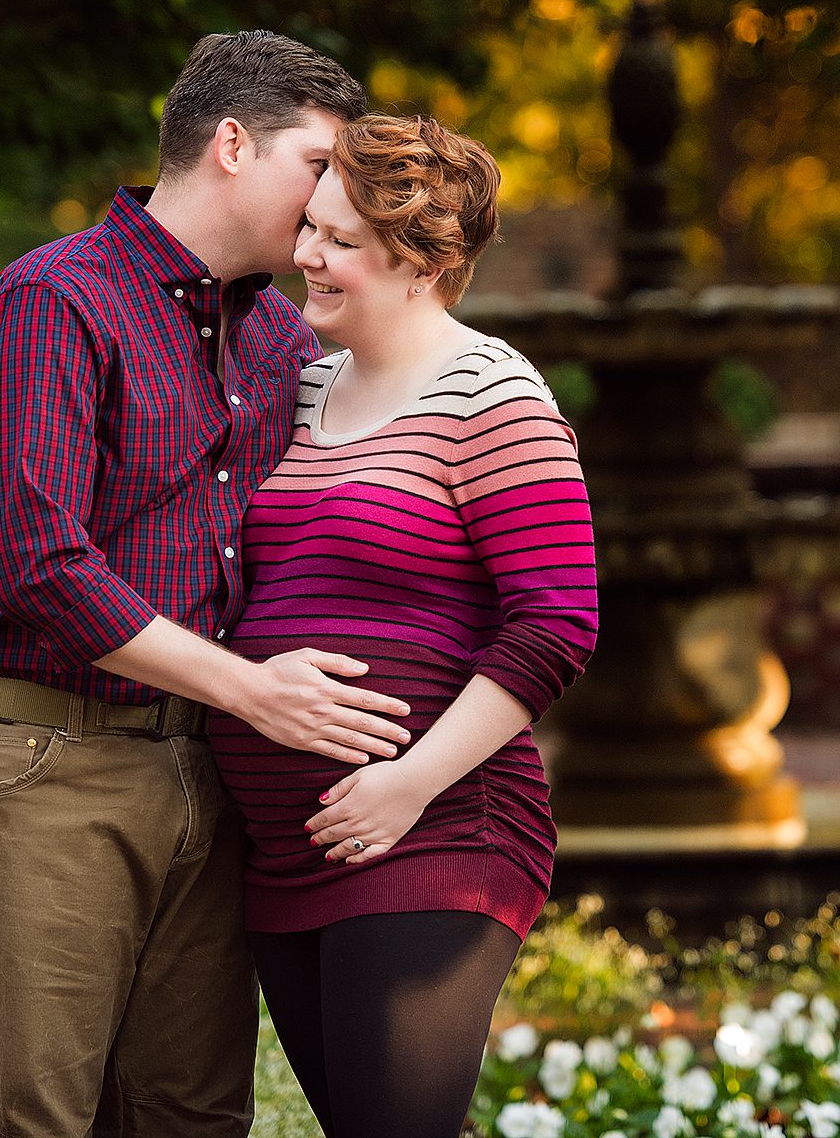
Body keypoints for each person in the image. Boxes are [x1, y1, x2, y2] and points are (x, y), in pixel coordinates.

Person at [0, 32, 416, 1138]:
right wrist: (251, 689)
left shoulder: (278, 332)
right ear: (231, 143)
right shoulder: (49, 300)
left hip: (208, 767)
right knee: (37, 1116)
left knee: (192, 1115)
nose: (337, 196)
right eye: (318, 162)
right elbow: (40, 559)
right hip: (33, 767)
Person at [210, 113, 600, 1138]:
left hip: (435, 830)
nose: (305, 255)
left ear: (423, 260)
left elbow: (556, 622)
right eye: (309, 229)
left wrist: (404, 783)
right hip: (293, 853)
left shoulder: (492, 395)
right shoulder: (299, 386)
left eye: (339, 240)